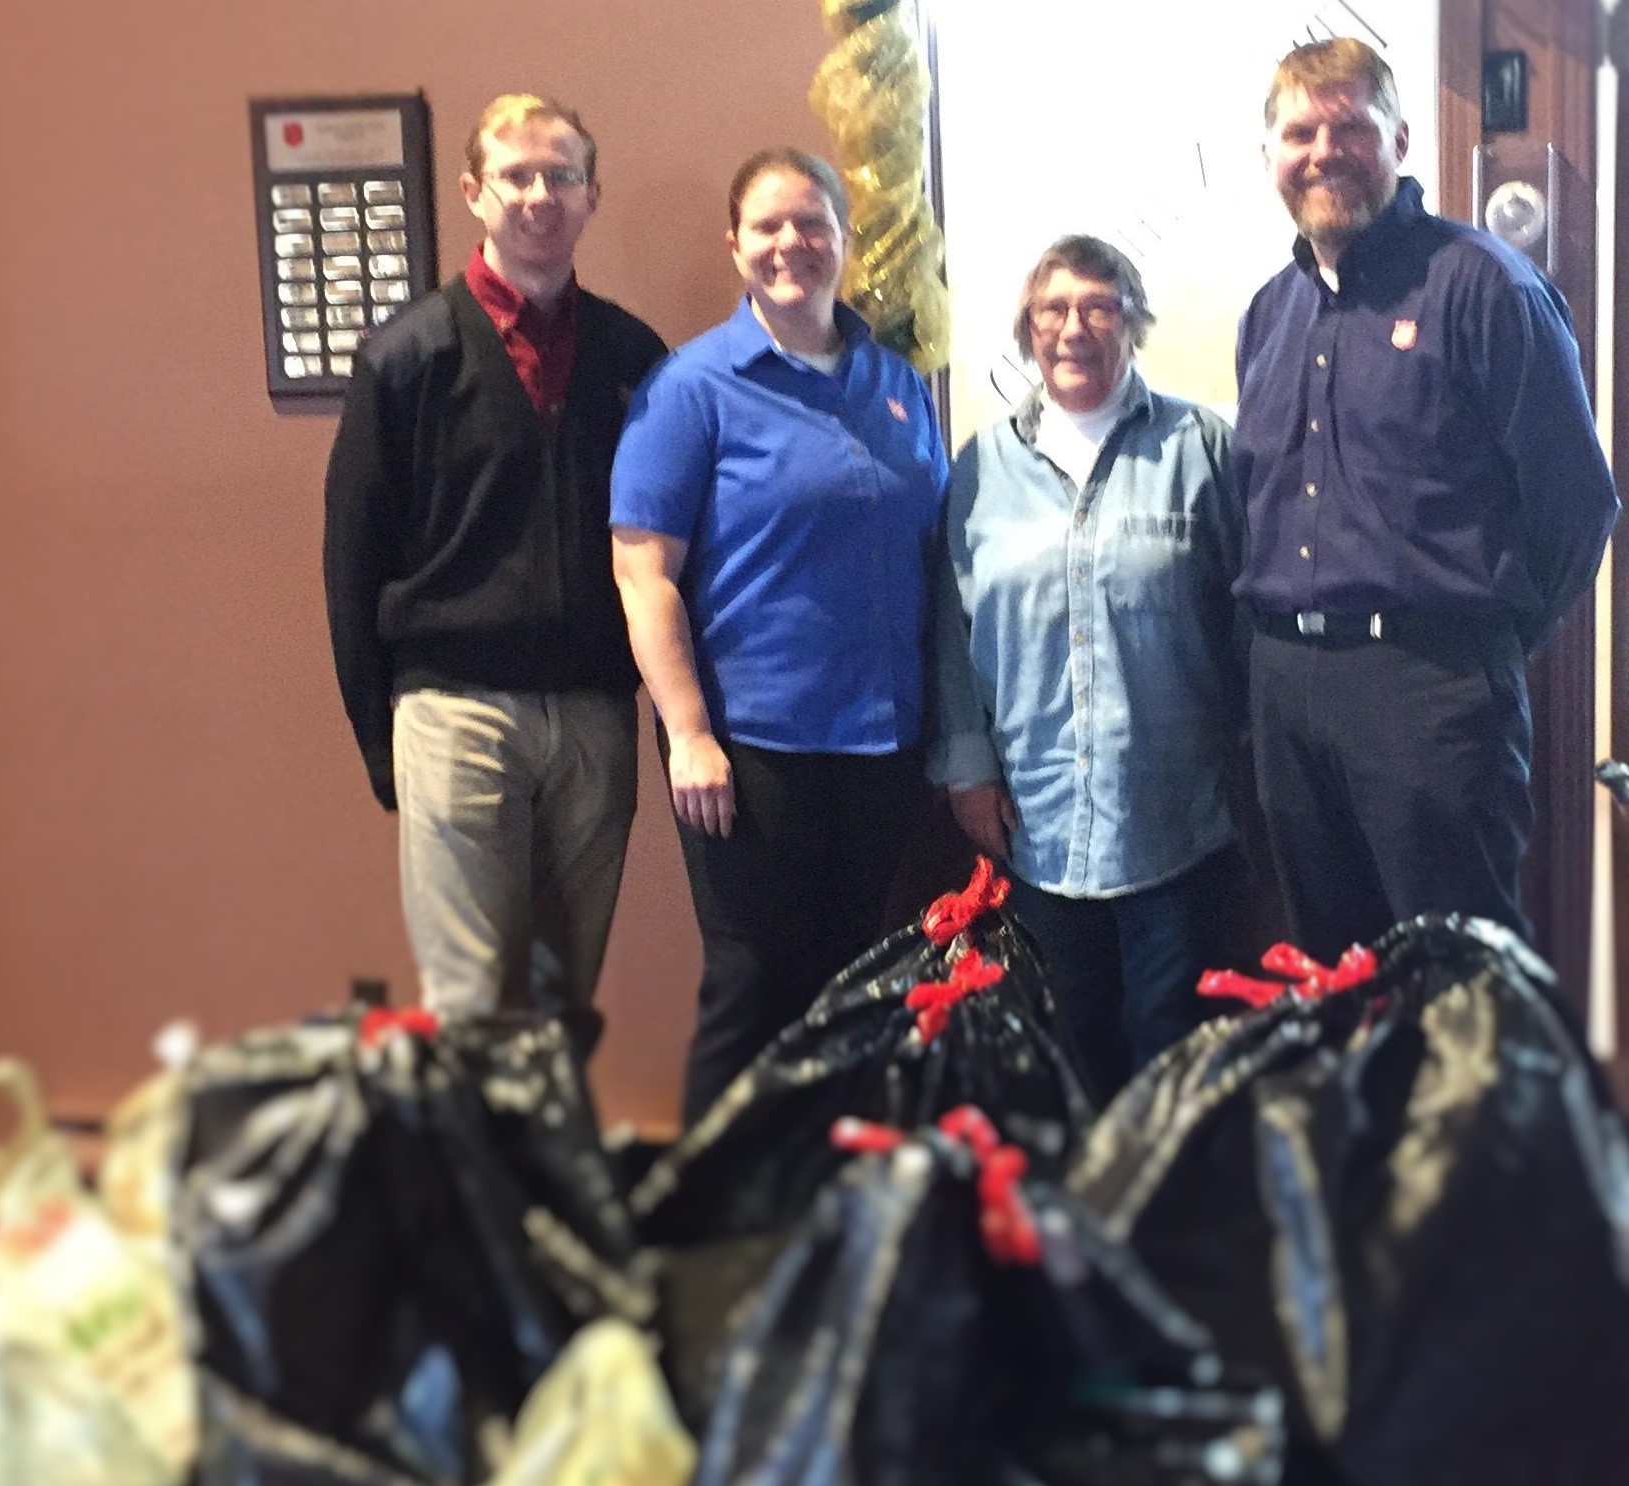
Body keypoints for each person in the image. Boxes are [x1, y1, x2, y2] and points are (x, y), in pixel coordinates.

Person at [1235, 37, 1617, 960]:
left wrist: (1476, 652)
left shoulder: (1484, 285)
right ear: (1271, 158)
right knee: (1332, 977)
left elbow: (1577, 506)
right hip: (1287, 692)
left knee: (1456, 987)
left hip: (1432, 694)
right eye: (1300, 132)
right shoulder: (1267, 314)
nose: (1324, 150)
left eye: (1350, 126)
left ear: (1400, 139)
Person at [612, 148, 948, 1124]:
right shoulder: (692, 387)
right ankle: (710, 1220)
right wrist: (688, 733)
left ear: (843, 241)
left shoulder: (892, 383)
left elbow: (926, 553)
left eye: (811, 224)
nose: (790, 244)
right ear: (734, 244)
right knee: (750, 986)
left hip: (882, 744)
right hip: (748, 748)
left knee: (852, 981)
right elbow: (643, 577)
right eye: (767, 226)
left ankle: (826, 1198)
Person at [323, 94, 667, 1033]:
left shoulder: (635, 358)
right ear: (475, 192)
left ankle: (539, 1178)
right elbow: (350, 562)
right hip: (453, 712)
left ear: (592, 194)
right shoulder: (405, 359)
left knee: (560, 1003)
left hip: (595, 717)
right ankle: (476, 1183)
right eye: (517, 175)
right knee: (474, 1010)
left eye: (560, 174)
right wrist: (376, 736)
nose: (538, 195)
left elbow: (667, 545)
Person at [932, 236, 1243, 1100]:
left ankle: (1154, 1215)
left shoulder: (1200, 448)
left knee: (1167, 1037)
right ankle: (1075, 1220)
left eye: (1098, 307)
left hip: (1172, 811)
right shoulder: (982, 468)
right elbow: (952, 630)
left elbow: (1246, 617)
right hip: (1034, 816)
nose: (1074, 327)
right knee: (1065, 1040)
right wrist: (967, 770)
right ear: (1028, 331)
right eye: (1052, 310)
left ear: (1133, 323)